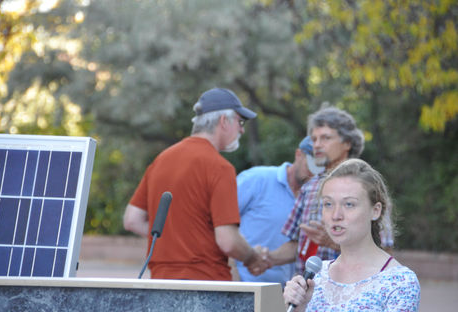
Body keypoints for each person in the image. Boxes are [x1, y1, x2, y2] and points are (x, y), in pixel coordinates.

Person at [123, 87, 268, 280]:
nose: (242, 129)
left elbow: (132, 220)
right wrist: (252, 258)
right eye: (240, 122)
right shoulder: (220, 167)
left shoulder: (161, 160)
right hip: (206, 283)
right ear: (224, 121)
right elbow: (228, 241)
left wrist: (176, 240)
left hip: (160, 283)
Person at [257, 107, 393, 275]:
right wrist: (266, 258)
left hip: (352, 294)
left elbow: (385, 251)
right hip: (307, 296)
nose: (317, 145)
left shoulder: (368, 185)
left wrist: (333, 242)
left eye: (326, 138)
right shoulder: (309, 187)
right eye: (314, 139)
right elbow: (296, 245)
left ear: (347, 143)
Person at [283, 159, 421, 311]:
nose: (336, 215)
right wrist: (299, 308)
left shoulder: (399, 282)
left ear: (375, 210)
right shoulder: (316, 275)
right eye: (328, 204)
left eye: (349, 204)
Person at [235, 136, 324, 285]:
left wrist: (268, 258)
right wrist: (232, 277)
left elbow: (301, 244)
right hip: (242, 284)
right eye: (310, 165)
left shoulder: (317, 197)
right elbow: (218, 224)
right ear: (298, 154)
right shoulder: (256, 179)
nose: (313, 174)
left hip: (282, 291)